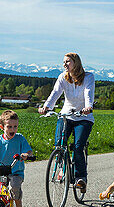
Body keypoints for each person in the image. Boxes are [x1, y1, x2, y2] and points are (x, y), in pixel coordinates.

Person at [39, 53, 95, 194]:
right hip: (66, 114)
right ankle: (61, 168)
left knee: (78, 146)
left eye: (68, 61)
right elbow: (55, 93)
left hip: (83, 117)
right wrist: (46, 107)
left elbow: (88, 93)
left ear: (76, 62)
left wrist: (88, 107)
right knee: (59, 143)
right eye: (64, 62)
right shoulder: (62, 77)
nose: (65, 64)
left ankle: (80, 178)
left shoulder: (88, 77)